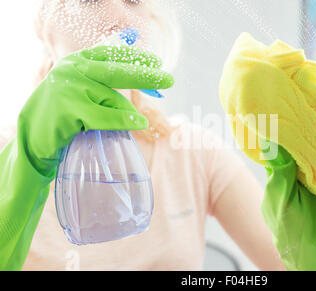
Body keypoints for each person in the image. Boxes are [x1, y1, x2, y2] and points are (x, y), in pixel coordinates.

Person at [0, 0, 286, 271]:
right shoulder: (10, 160)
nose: (119, 20)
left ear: (150, 20)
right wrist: (26, 170)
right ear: (43, 24)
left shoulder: (196, 154)